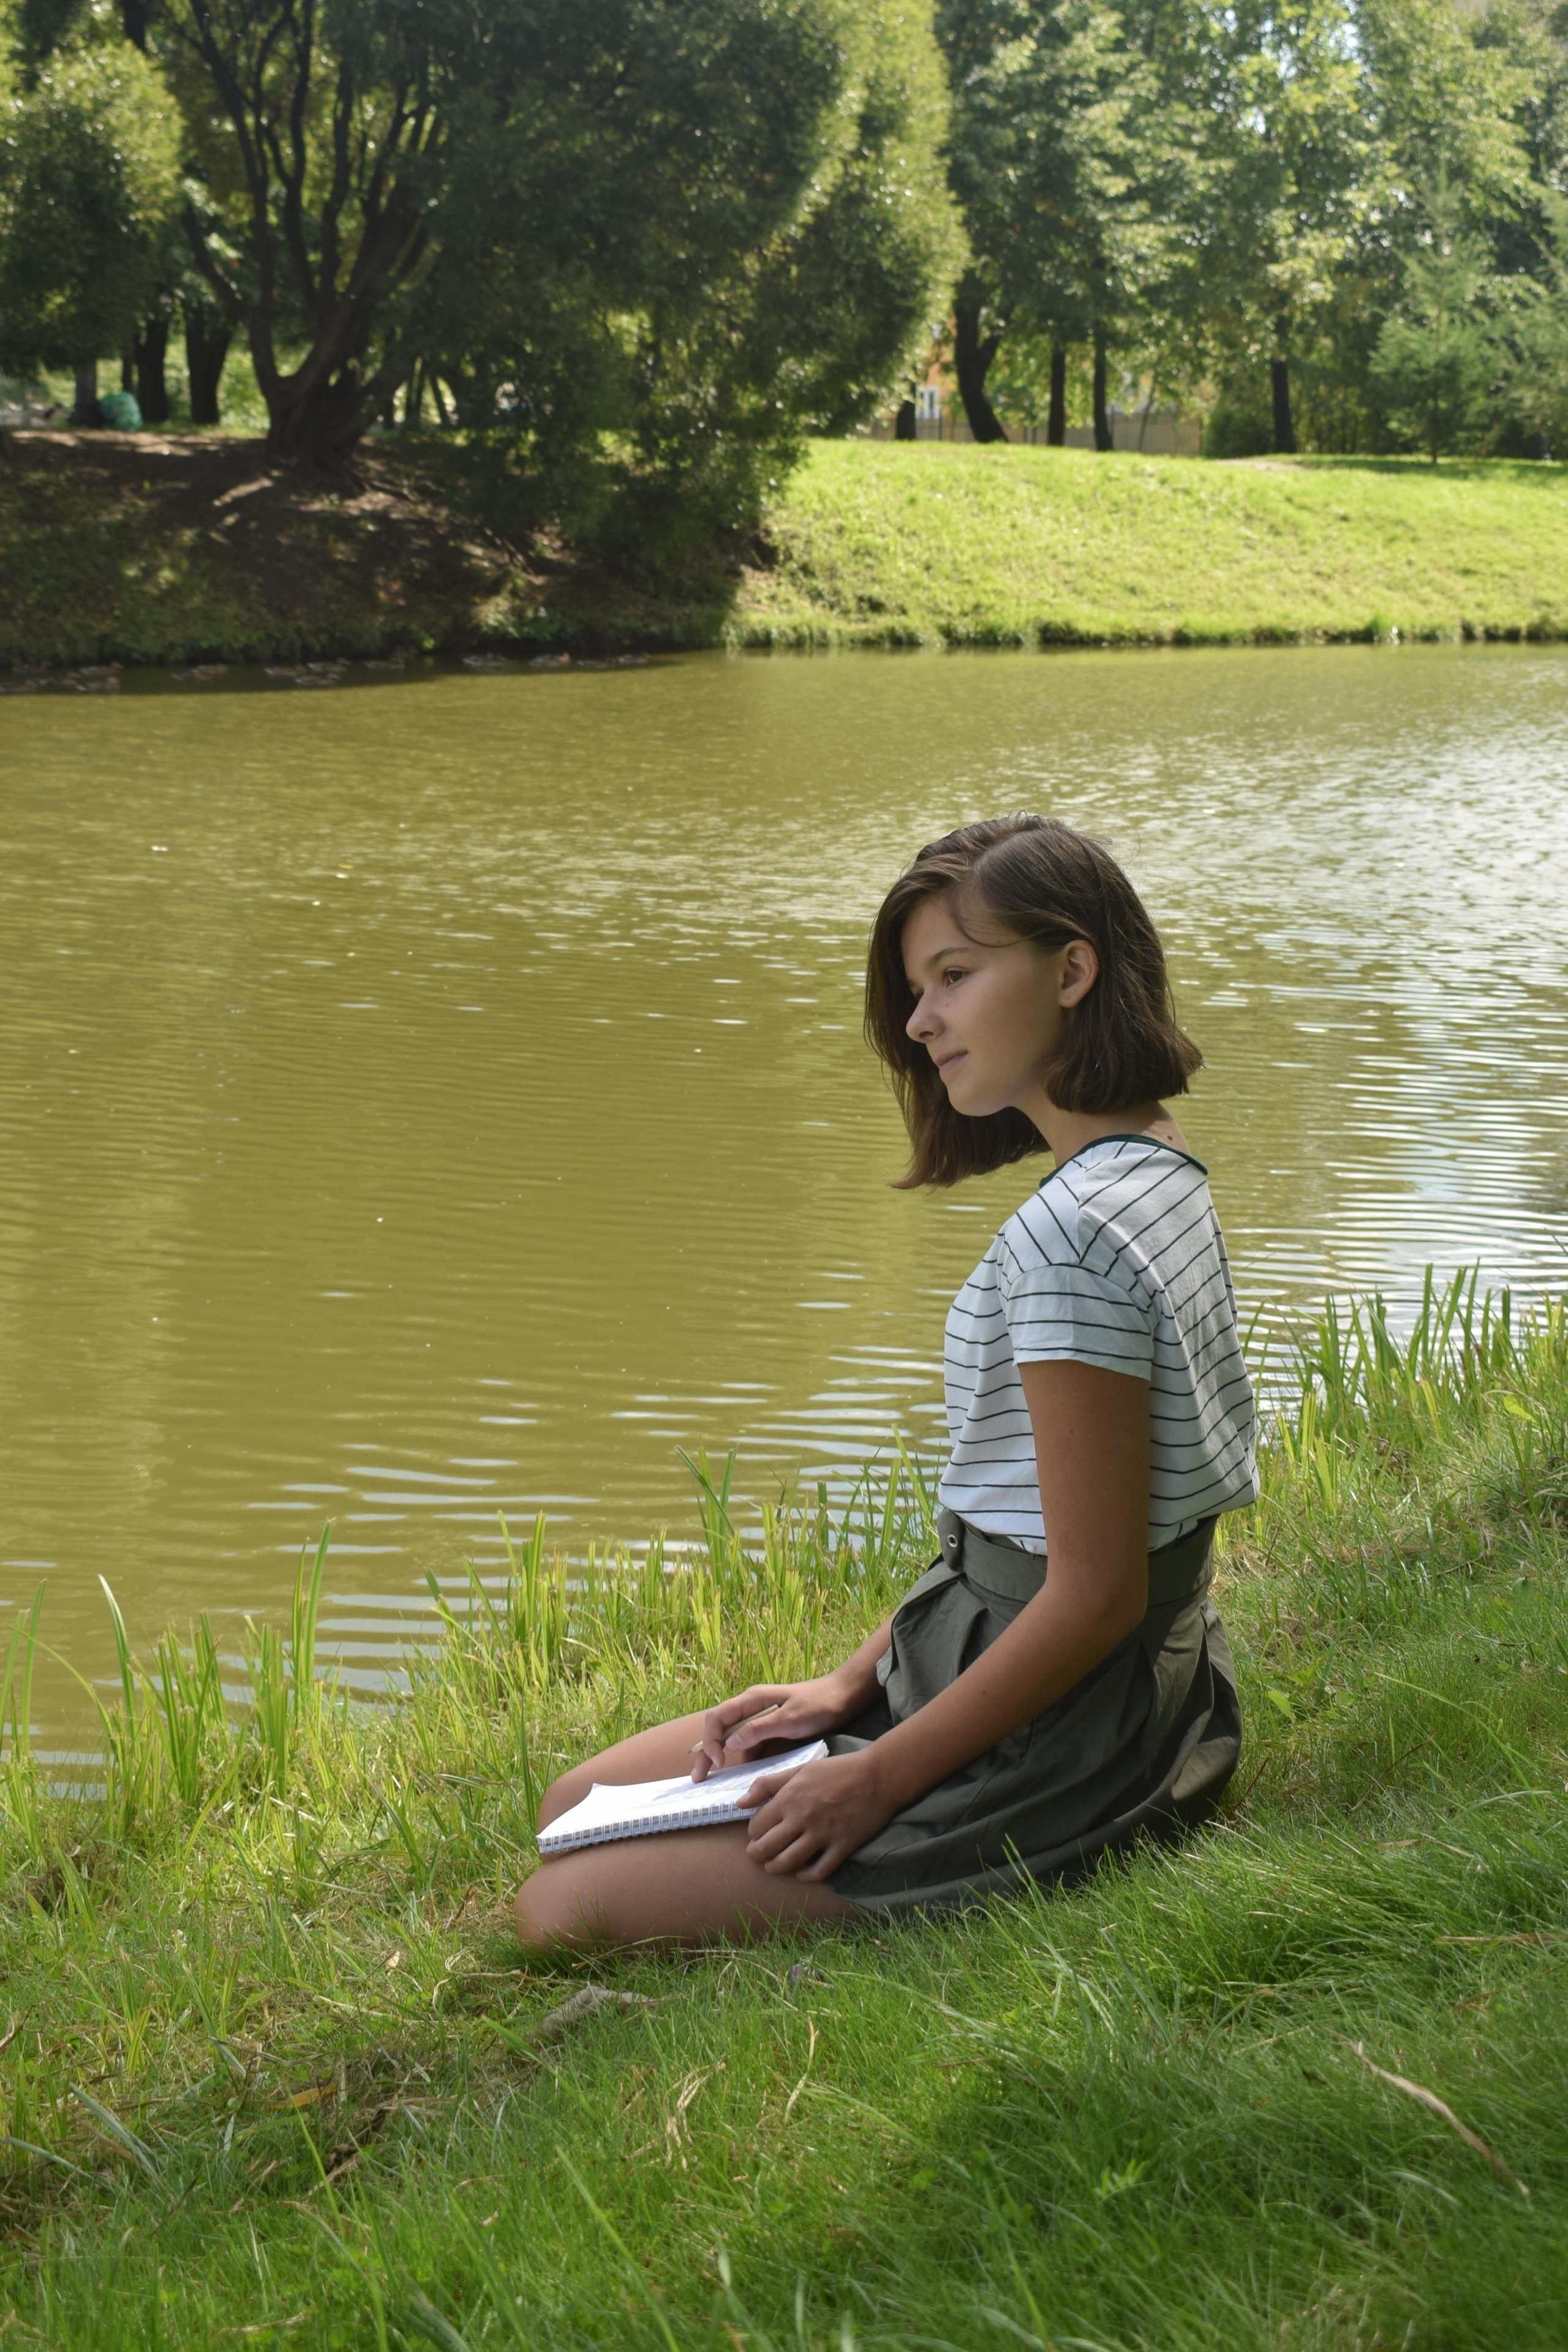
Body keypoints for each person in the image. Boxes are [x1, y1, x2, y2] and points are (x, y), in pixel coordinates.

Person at [515, 813, 1257, 1951]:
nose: (920, 1023)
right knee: (576, 1806)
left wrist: (874, 1783)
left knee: (562, 1906)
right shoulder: (1157, 1168)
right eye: (919, 988)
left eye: (953, 976)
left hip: (1066, 1727)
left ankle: (981, 1817)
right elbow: (996, 1527)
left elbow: (1096, 1592)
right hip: (1001, 1652)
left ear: (1072, 970)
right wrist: (845, 1683)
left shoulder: (1074, 1238)